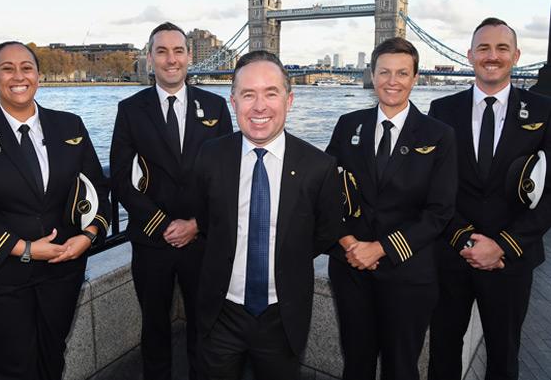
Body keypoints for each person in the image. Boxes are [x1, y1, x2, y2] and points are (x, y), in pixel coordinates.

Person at [0, 41, 111, 380]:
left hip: (60, 271)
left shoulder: (71, 126)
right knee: (12, 368)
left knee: (52, 358)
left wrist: (88, 235)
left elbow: (97, 189)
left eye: (27, 67)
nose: (18, 76)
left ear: (38, 75)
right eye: (7, 68)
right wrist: (25, 249)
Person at [194, 50, 343, 380]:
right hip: (220, 311)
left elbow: (325, 234)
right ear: (233, 102)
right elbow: (206, 222)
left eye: (270, 93)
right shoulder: (210, 156)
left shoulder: (319, 167)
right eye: (248, 95)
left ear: (289, 101)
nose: (259, 107)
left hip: (282, 316)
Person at [326, 37, 457, 380]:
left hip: (408, 274)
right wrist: (347, 243)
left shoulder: (439, 135)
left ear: (416, 78)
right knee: (356, 365)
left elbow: (439, 212)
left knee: (401, 368)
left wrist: (381, 248)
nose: (392, 81)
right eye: (384, 71)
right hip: (351, 268)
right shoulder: (348, 125)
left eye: (402, 72)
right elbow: (324, 194)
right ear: (372, 74)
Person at [428, 18, 551, 380]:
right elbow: (435, 190)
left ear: (516, 55)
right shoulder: (441, 110)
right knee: (443, 352)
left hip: (512, 260)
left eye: (501, 48)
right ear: (469, 56)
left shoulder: (545, 112)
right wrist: (466, 240)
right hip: (452, 256)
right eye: (483, 48)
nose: (492, 56)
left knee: (504, 355)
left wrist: (503, 245)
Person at [110, 22, 232, 380]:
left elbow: (224, 176)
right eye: (161, 51)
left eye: (178, 50)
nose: (171, 59)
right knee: (155, 329)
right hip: (151, 241)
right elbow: (119, 178)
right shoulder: (130, 109)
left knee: (204, 326)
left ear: (190, 56)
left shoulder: (215, 106)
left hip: (201, 242)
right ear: (150, 59)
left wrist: (197, 224)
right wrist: (162, 225)